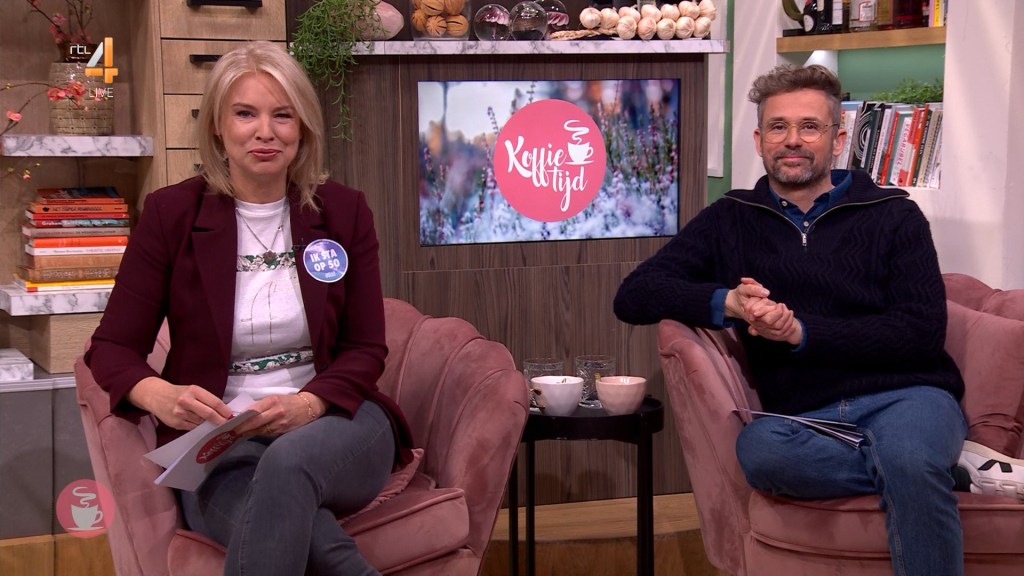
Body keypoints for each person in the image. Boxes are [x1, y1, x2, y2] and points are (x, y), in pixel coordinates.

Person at [613, 64, 1022, 576]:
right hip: (806, 416)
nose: (793, 140)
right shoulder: (730, 218)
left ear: (838, 138)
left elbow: (920, 332)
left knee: (908, 458)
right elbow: (634, 296)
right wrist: (729, 303)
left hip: (908, 396)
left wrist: (802, 332)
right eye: (778, 127)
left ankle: (922, 465)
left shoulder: (894, 215)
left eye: (810, 126)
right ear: (759, 140)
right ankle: (946, 470)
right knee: (760, 453)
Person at [86, 41, 413, 576]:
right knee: (315, 544)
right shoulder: (171, 215)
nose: (266, 132)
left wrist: (308, 404)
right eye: (245, 114)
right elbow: (112, 347)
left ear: (302, 127)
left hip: (337, 421)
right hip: (222, 445)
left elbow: (365, 348)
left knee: (288, 461)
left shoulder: (343, 211)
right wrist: (159, 395)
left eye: (282, 115)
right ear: (218, 126)